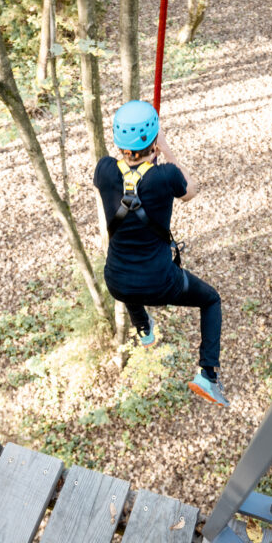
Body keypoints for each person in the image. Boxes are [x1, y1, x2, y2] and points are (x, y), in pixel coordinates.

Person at [93, 100, 229, 407]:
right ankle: (208, 373)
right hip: (159, 281)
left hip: (116, 279)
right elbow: (190, 191)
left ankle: (143, 328)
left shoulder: (103, 170)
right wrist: (165, 149)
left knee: (127, 278)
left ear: (119, 141)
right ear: (153, 140)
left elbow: (115, 188)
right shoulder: (165, 176)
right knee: (211, 299)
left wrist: (145, 160)